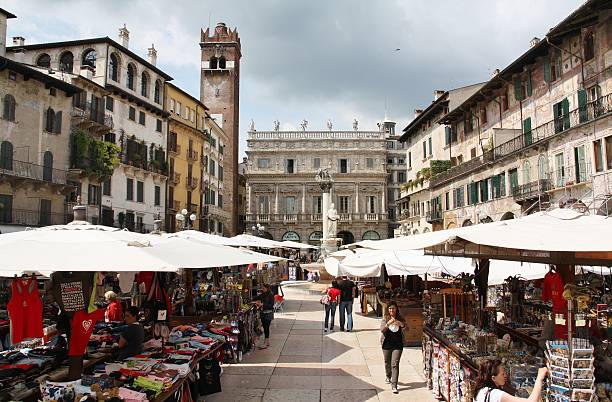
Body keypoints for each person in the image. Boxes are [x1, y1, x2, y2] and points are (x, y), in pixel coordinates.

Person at [473, 360, 548, 402]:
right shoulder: (495, 394)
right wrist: (539, 377)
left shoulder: (481, 390)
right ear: (493, 378)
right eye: (502, 374)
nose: (505, 375)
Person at [380, 301, 406, 393]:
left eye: (393, 308)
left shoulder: (400, 318)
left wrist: (401, 324)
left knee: (395, 364)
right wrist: (388, 324)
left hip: (398, 344)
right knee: (387, 362)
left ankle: (394, 385)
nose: (391, 310)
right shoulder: (385, 318)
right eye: (390, 308)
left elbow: (407, 328)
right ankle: (388, 375)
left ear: (396, 309)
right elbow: (382, 330)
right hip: (387, 343)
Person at [253, 283, 274, 349]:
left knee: (266, 327)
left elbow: (271, 306)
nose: (262, 289)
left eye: (264, 288)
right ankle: (267, 342)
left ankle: (266, 342)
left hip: (268, 313)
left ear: (267, 288)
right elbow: (257, 298)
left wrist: (262, 305)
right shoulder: (263, 294)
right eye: (262, 288)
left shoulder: (271, 295)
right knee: (265, 327)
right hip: (263, 313)